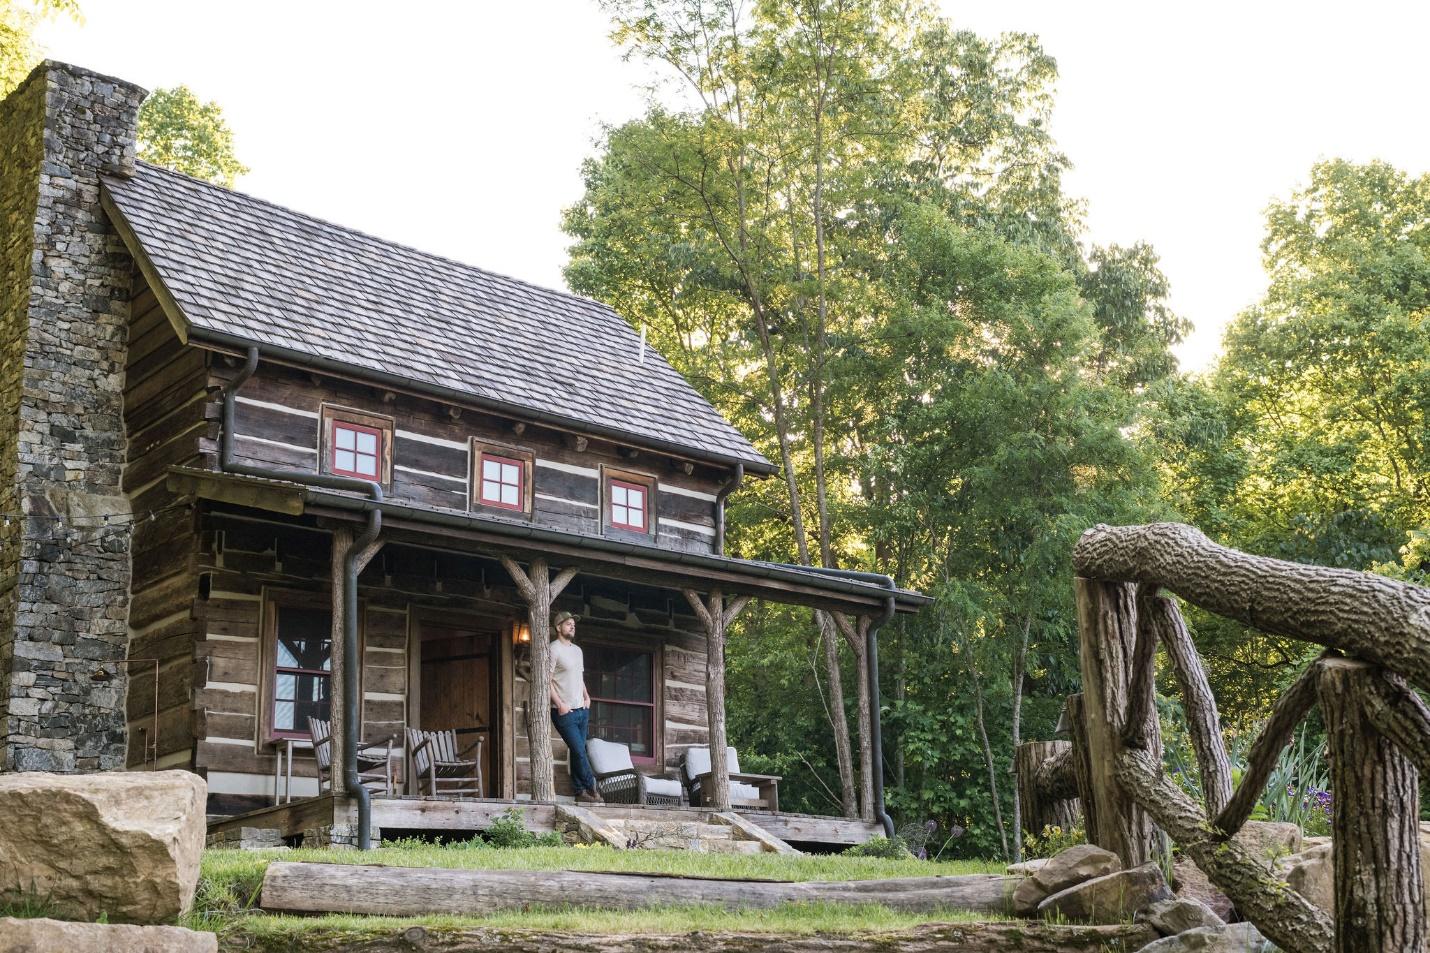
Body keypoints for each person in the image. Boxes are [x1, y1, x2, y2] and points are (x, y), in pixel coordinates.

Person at [548, 610, 600, 802]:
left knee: (579, 751)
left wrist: (587, 697)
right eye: (568, 623)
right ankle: (591, 786)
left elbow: (579, 677)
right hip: (564, 712)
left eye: (574, 624)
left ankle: (579, 792)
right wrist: (559, 704)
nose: (572, 626)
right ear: (558, 627)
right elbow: (546, 681)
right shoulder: (553, 649)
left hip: (582, 709)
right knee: (578, 750)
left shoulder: (578, 651)